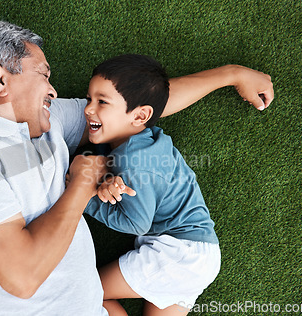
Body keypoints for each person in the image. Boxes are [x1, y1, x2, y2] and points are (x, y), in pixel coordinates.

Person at [0, 21, 273, 315]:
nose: (53, 91)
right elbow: (22, 276)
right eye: (43, 73)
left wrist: (230, 75)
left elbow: (130, 109)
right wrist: (81, 185)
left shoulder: (47, 122)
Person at [82, 54, 223, 316]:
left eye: (102, 102)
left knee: (86, 292)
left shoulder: (135, 162)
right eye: (90, 99)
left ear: (140, 115)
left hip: (176, 252)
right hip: (201, 255)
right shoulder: (149, 141)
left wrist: (87, 200)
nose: (88, 109)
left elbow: (137, 223)